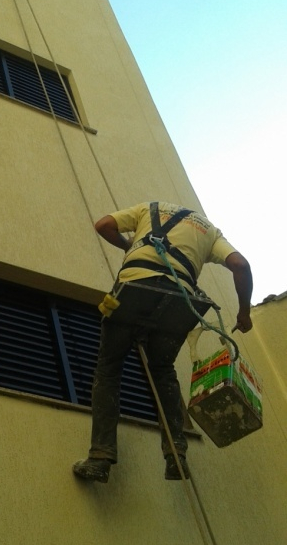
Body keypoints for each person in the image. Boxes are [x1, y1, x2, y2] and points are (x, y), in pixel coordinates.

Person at [72, 201, 253, 484]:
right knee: (163, 372)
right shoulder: (209, 230)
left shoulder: (148, 209)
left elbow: (103, 225)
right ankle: (176, 456)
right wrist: (244, 313)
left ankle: (100, 458)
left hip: (134, 287)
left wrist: (129, 247)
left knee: (108, 369)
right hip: (179, 300)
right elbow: (240, 265)